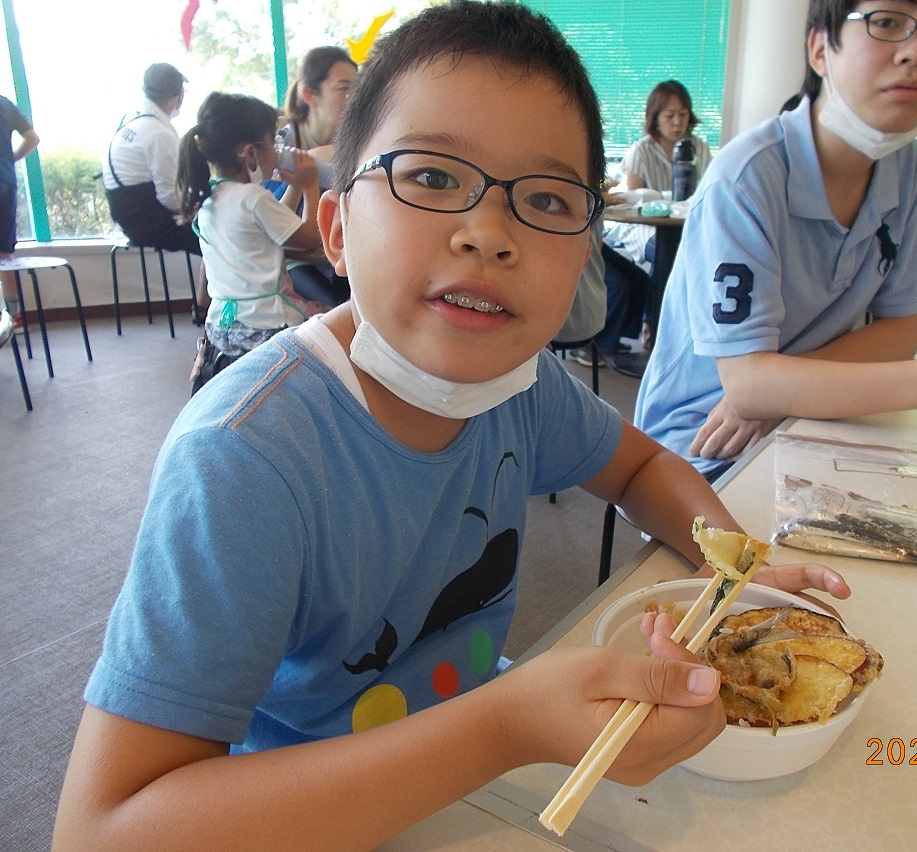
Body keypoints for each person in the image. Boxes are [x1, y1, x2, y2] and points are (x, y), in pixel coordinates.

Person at [53, 3, 849, 847]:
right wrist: (505, 726)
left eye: (546, 198)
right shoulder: (245, 459)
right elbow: (102, 831)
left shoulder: (520, 386)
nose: (489, 235)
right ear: (337, 230)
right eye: (432, 177)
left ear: (586, 255)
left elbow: (640, 467)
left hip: (473, 771)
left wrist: (732, 567)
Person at [634, 0, 917, 481]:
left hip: (807, 423)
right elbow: (748, 385)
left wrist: (785, 393)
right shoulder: (748, 176)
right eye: (887, 22)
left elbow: (900, 331)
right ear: (819, 50)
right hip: (700, 450)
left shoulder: (901, 162)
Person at [176, 92, 324, 393]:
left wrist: (294, 187)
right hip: (267, 325)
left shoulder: (214, 196)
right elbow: (310, 236)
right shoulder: (253, 198)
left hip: (223, 327)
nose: (278, 151)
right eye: (272, 142)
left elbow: (276, 226)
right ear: (250, 153)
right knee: (333, 322)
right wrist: (310, 186)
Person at [582, 80, 712, 370]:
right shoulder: (641, 151)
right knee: (662, 254)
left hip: (683, 223)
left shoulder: (698, 148)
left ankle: (667, 333)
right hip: (642, 225)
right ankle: (653, 331)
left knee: (691, 255)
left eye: (683, 114)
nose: (677, 122)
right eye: (669, 115)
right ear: (655, 117)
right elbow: (633, 199)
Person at [272, 46, 359, 308]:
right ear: (309, 95)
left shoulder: (357, 142)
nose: (355, 98)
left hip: (338, 254)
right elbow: (270, 232)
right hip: (293, 260)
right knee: (338, 307)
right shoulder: (279, 146)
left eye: (358, 88)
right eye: (344, 89)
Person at [102, 63, 201, 257]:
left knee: (213, 233)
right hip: (147, 224)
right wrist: (196, 209)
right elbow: (170, 197)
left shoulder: (132, 118)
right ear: (179, 96)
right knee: (218, 236)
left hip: (127, 218)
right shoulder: (159, 134)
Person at [0, 95, 38, 319]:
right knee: (4, 253)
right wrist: (10, 158)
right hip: (4, 181)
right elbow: (32, 138)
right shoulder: (4, 103)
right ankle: (14, 317)